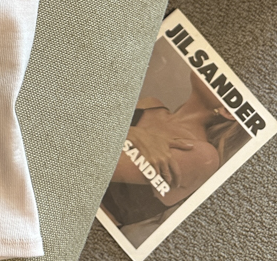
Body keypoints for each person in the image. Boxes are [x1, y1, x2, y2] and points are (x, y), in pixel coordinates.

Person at [101, 69, 249, 229]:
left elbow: (95, 164)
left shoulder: (203, 156)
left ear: (228, 111)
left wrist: (130, 133)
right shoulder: (151, 105)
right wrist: (133, 135)